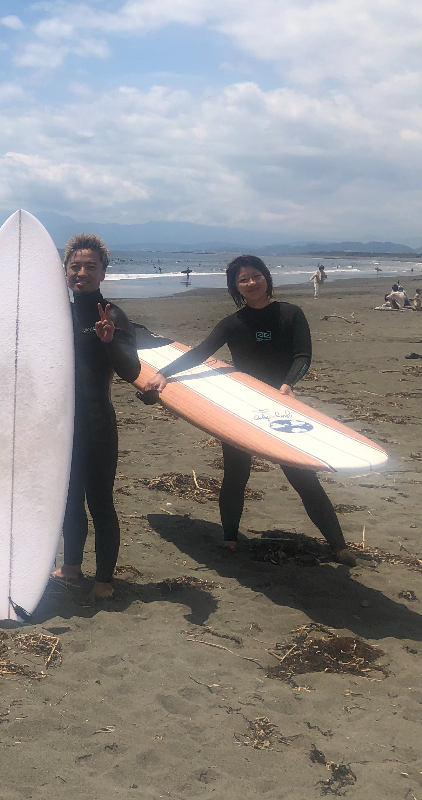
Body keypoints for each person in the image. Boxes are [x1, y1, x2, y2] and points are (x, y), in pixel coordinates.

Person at [146, 255, 355, 565]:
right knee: (236, 474)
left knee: (303, 476)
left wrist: (287, 385)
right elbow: (201, 353)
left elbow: (303, 356)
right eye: (243, 280)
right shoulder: (233, 323)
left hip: (282, 406)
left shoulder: (290, 314)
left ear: (266, 278)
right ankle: (230, 539)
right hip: (243, 406)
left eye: (255, 276)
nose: (251, 283)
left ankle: (339, 546)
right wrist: (165, 372)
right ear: (236, 287)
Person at [49, 234, 141, 600]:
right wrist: (0, 248)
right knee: (69, 499)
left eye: (90, 267)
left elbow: (131, 370)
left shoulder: (112, 314)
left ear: (103, 273)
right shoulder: (55, 312)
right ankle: (71, 566)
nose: (82, 273)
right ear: (65, 270)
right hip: (61, 426)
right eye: (75, 266)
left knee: (99, 500)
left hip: (95, 422)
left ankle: (104, 580)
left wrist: (110, 341)